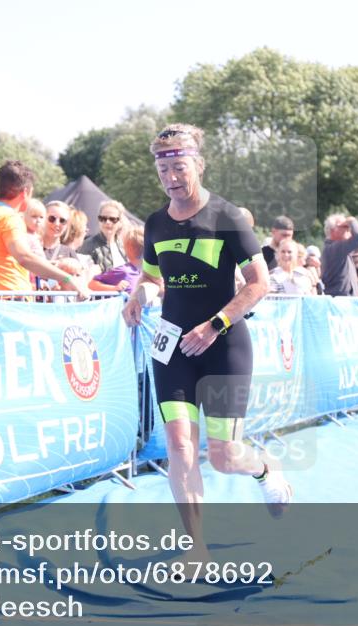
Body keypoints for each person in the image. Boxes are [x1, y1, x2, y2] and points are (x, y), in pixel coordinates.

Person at [121, 123, 291, 567]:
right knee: (178, 444)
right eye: (163, 170)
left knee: (224, 456)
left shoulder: (227, 217)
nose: (172, 178)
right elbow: (154, 277)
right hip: (173, 346)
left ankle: (264, 467)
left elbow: (259, 284)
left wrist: (214, 325)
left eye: (180, 167)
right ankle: (196, 546)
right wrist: (140, 294)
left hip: (223, 345)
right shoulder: (155, 224)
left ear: (198, 164)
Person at [0, 160, 88, 299]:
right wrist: (67, 278)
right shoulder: (9, 217)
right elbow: (24, 256)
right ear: (25, 192)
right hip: (12, 302)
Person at [320, 213, 358, 297]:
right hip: (339, 303)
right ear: (333, 231)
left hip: (343, 302)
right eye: (345, 227)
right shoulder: (334, 249)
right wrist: (351, 220)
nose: (349, 230)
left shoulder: (337, 249)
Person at [89, 226, 143, 294]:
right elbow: (92, 284)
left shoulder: (146, 274)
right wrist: (114, 288)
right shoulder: (124, 271)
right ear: (131, 247)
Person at [80, 200, 128, 273]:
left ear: (120, 222)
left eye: (112, 219)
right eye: (103, 218)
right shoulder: (88, 245)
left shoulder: (124, 245)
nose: (107, 222)